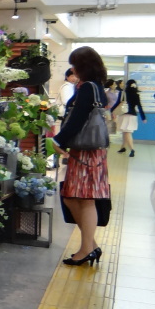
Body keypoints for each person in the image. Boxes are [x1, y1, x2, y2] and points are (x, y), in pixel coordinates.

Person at [51, 46, 110, 267]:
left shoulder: (87, 88)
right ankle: (90, 245)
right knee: (74, 197)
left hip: (86, 152)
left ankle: (86, 249)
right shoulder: (96, 87)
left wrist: (59, 140)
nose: (73, 69)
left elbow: (77, 119)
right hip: (89, 152)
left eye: (75, 64)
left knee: (84, 200)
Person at [117, 79, 145, 157]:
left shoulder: (122, 93)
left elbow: (117, 103)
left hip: (123, 115)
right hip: (132, 116)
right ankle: (123, 147)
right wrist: (143, 117)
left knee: (126, 132)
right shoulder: (136, 95)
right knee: (126, 132)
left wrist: (112, 111)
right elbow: (139, 106)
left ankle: (132, 149)